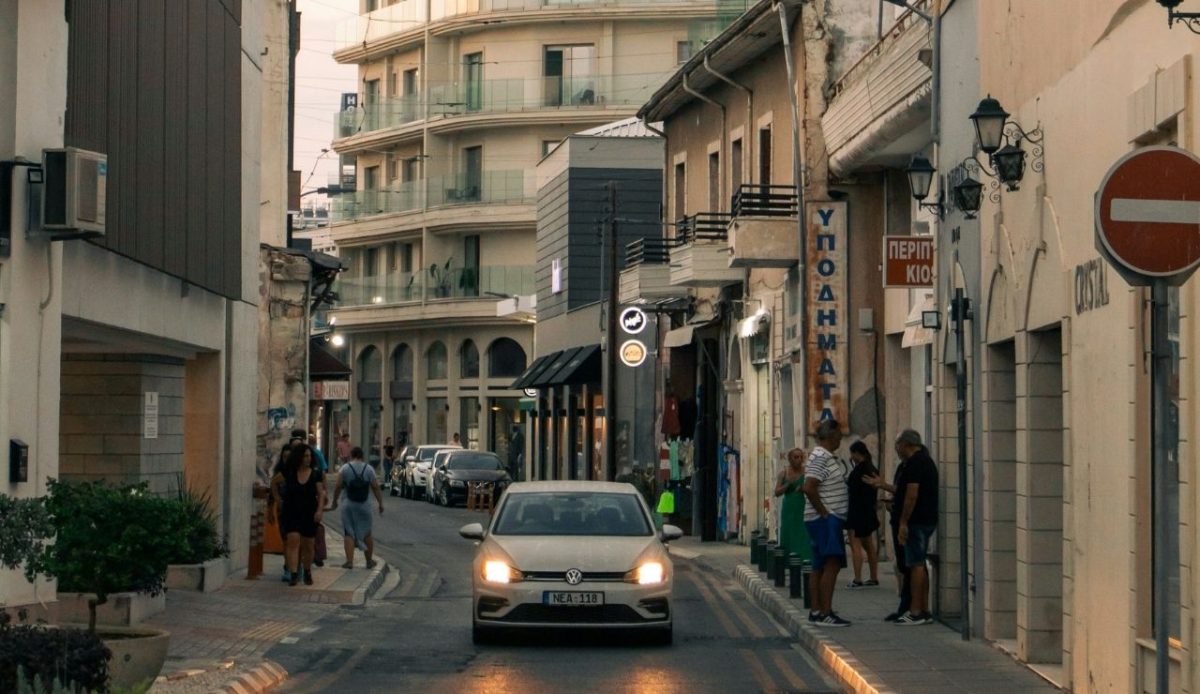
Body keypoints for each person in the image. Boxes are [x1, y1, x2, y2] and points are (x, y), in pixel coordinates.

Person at [866, 429, 939, 625]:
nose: (897, 450)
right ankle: (923, 609)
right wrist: (884, 487)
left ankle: (915, 611)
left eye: (897, 446)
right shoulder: (925, 461)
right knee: (919, 564)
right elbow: (904, 491)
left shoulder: (915, 463)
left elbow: (911, 494)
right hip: (925, 519)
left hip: (916, 521)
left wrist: (904, 522)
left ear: (905, 444)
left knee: (915, 565)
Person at [802, 419, 851, 627]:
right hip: (826, 520)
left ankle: (816, 610)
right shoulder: (821, 457)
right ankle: (825, 612)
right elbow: (809, 487)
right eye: (839, 434)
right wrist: (824, 513)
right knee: (832, 564)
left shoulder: (823, 456)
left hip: (824, 519)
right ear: (831, 435)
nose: (841, 437)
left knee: (819, 565)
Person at [272, 443, 326, 586]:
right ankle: (294, 573)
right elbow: (274, 482)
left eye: (309, 456)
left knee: (308, 545)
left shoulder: (315, 473)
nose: (308, 458)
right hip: (291, 511)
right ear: (299, 457)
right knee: (293, 541)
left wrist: (319, 510)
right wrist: (277, 499)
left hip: (309, 513)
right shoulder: (289, 472)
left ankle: (307, 571)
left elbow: (321, 494)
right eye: (305, 456)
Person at [329, 446, 384, 569]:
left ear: (351, 456)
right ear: (362, 456)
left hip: (348, 504)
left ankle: (349, 561)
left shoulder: (345, 468)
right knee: (367, 532)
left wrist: (334, 501)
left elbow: (338, 486)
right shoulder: (369, 469)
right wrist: (380, 503)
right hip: (364, 505)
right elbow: (375, 487)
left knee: (348, 532)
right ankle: (369, 561)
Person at [845, 441, 881, 589]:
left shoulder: (858, 471)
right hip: (868, 511)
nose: (851, 456)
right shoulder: (872, 468)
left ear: (856, 453)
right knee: (869, 545)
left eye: (852, 453)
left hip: (856, 511)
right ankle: (873, 577)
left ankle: (857, 578)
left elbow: (852, 489)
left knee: (856, 546)